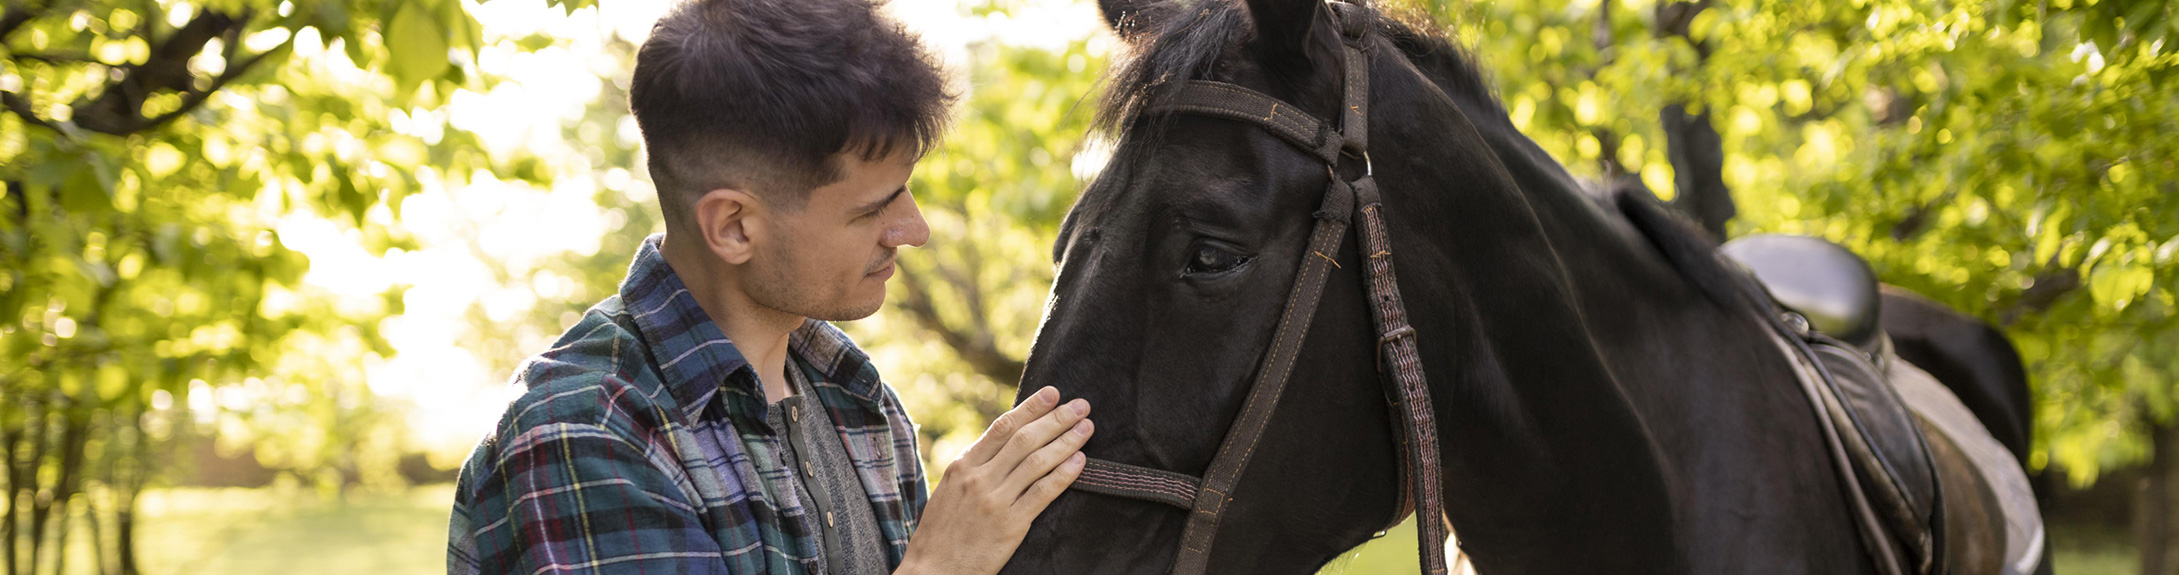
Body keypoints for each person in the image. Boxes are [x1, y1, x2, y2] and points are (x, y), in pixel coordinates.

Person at [445, 0, 1092, 573]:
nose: (912, 229)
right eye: (871, 209)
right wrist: (942, 566)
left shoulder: (854, 397)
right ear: (733, 227)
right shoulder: (585, 434)